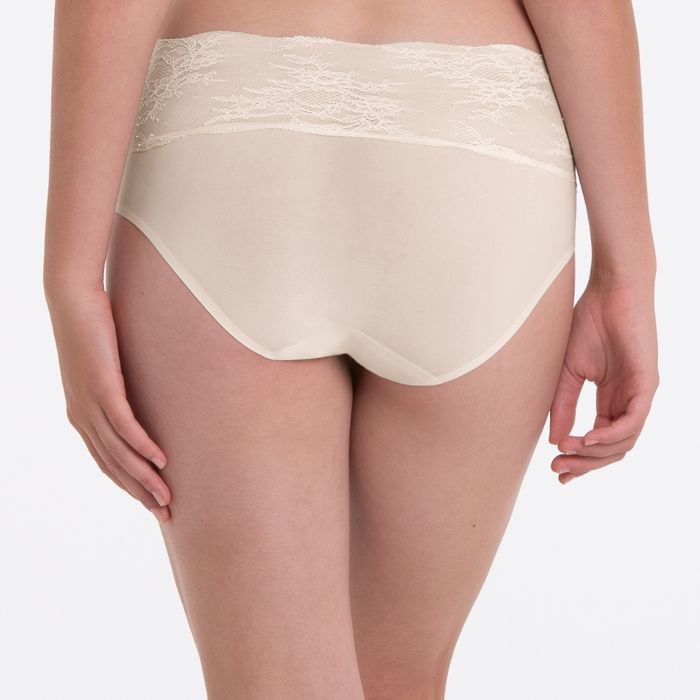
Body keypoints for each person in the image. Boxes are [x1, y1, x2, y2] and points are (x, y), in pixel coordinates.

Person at [43, 1, 659, 697]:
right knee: (399, 681)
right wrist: (625, 274)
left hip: (237, 127)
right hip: (476, 148)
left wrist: (71, 274)